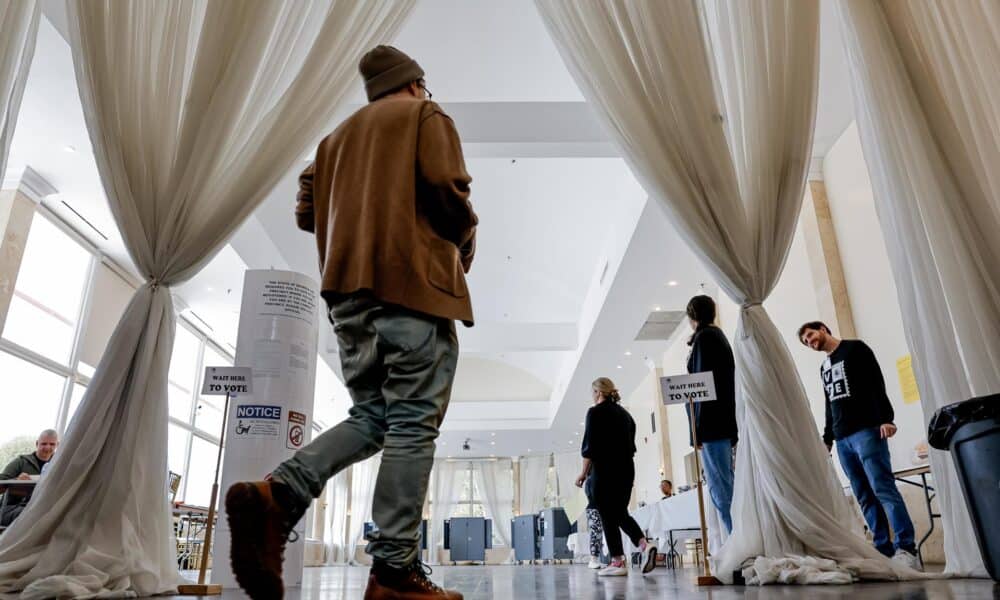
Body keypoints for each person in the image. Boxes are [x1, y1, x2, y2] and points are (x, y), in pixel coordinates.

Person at [226, 45, 476, 600]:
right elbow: (446, 188)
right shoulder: (424, 116)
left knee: (373, 418)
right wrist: (464, 241)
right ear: (414, 83)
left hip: (347, 299)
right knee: (413, 424)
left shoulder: (332, 141)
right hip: (413, 288)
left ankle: (278, 495)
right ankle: (394, 573)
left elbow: (304, 211)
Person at [798, 321, 920, 570]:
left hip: (867, 431)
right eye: (806, 342)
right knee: (863, 496)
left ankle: (907, 549)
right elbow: (829, 404)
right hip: (843, 440)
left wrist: (886, 418)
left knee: (883, 489)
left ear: (823, 328)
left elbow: (876, 383)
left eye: (810, 335)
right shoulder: (824, 366)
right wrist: (827, 439)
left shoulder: (855, 349)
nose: (810, 342)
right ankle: (882, 550)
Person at [575, 377, 657, 577]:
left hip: (605, 470)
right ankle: (644, 544)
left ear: (599, 392)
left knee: (606, 513)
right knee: (619, 512)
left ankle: (617, 561)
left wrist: (583, 474)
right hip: (627, 469)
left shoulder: (594, 413)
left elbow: (589, 449)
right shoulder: (626, 415)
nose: (593, 397)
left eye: (593, 393)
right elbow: (631, 447)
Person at [684, 295, 738, 534]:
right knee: (723, 484)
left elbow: (701, 387)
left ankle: (737, 539)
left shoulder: (706, 338)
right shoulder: (715, 336)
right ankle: (737, 537)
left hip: (712, 424)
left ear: (692, 316)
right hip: (720, 421)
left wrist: (696, 428)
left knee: (721, 488)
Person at [0, 429, 58, 526]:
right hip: (13, 508)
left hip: (43, 508)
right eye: (44, 444)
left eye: (52, 444)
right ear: (37, 444)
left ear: (57, 445)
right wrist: (16, 481)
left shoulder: (60, 464)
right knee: (35, 514)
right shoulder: (21, 462)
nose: (48, 447)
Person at [584, 475, 605, 569]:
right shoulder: (591, 479)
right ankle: (593, 559)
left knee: (599, 534)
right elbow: (593, 495)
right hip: (593, 509)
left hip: (596, 508)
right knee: (596, 533)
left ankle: (596, 559)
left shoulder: (595, 478)